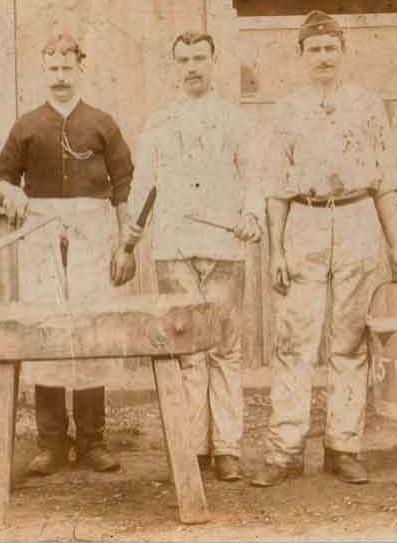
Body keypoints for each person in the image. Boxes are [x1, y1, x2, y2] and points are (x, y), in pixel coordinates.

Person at [251, 10, 397, 487]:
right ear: (301, 55)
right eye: (314, 49)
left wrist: (396, 246)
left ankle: (344, 445)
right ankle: (285, 450)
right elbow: (276, 188)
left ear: (343, 52)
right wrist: (276, 250)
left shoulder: (367, 106)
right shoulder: (287, 110)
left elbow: (384, 185)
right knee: (294, 342)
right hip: (305, 221)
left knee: (349, 343)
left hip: (358, 219)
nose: (323, 56)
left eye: (330, 48)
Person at [0, 33, 135, 476]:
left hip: (94, 234)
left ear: (80, 68)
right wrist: (9, 193)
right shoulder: (27, 125)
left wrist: (125, 243)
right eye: (52, 69)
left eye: (67, 68)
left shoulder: (103, 123)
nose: (60, 77)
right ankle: (51, 441)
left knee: (90, 330)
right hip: (40, 234)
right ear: (43, 71)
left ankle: (92, 440)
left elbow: (125, 186)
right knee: (46, 331)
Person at [122, 31, 261, 482]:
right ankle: (192, 447)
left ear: (213, 60)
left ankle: (227, 447)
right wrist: (130, 241)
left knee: (224, 348)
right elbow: (144, 186)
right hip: (175, 248)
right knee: (186, 350)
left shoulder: (235, 121)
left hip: (223, 248)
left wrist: (252, 216)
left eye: (200, 58)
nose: (192, 67)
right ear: (174, 65)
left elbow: (255, 177)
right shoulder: (160, 122)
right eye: (183, 60)